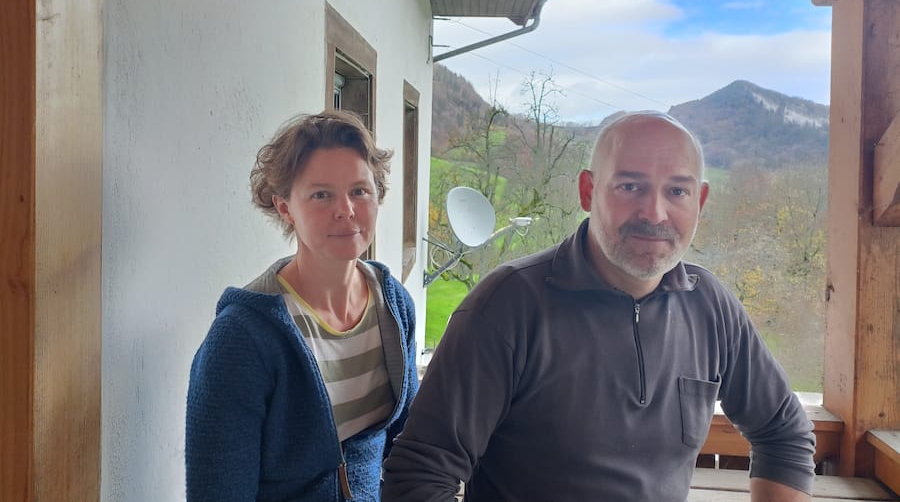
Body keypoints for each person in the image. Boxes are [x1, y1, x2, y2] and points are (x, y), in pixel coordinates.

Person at [382, 110, 815, 501]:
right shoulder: (507, 308)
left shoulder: (710, 306)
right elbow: (418, 477)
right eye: (631, 186)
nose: (655, 212)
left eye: (677, 191)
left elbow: (784, 431)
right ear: (588, 191)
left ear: (699, 201)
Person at [186, 110, 418, 501]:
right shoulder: (242, 338)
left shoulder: (394, 307)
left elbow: (408, 445)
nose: (345, 209)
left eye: (360, 190)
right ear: (285, 207)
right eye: (321, 194)